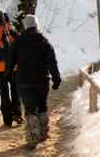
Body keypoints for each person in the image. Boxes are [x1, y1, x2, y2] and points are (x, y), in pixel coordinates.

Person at [8, 15, 61, 149]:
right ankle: (43, 133)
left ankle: (33, 138)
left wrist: (8, 75)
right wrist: (56, 79)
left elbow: (10, 61)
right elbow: (52, 63)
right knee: (42, 105)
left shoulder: (17, 42)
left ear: (25, 27)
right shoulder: (44, 42)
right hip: (42, 80)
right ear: (36, 26)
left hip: (23, 82)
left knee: (30, 108)